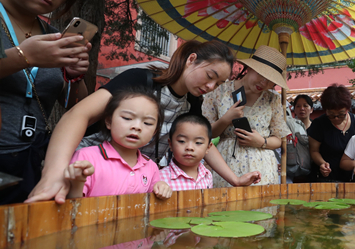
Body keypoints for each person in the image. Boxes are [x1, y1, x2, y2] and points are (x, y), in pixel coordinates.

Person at [26, 40, 261, 204]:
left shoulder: (193, 103)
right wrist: (53, 175)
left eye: (218, 84)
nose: (210, 87)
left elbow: (203, 144)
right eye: (210, 76)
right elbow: (77, 115)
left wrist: (235, 180)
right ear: (191, 59)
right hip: (91, 173)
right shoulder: (139, 79)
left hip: (139, 180)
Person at [0, 0, 91, 204]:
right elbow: (23, 59)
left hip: (33, 162)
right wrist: (23, 56)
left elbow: (77, 108)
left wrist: (75, 77)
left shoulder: (54, 37)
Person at [203, 45, 291, 187]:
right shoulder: (219, 91)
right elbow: (205, 134)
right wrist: (226, 119)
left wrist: (261, 141)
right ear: (249, 68)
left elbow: (279, 139)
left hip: (263, 170)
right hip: (226, 166)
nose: (264, 83)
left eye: (270, 80)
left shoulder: (272, 99)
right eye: (261, 75)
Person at [64, 86, 172, 199]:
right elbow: (72, 208)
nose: (137, 127)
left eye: (147, 123)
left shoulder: (151, 167)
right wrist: (77, 184)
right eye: (127, 118)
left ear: (154, 132)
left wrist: (162, 188)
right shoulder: (86, 157)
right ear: (109, 121)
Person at [308, 84, 355, 182]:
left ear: (347, 108)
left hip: (353, 178)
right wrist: (322, 163)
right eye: (331, 115)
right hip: (327, 179)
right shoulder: (319, 124)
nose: (336, 118)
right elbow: (314, 151)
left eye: (341, 114)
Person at [159, 113, 213, 191]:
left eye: (198, 142)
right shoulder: (160, 177)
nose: (189, 148)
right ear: (170, 144)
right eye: (182, 141)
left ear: (208, 147)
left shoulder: (207, 175)